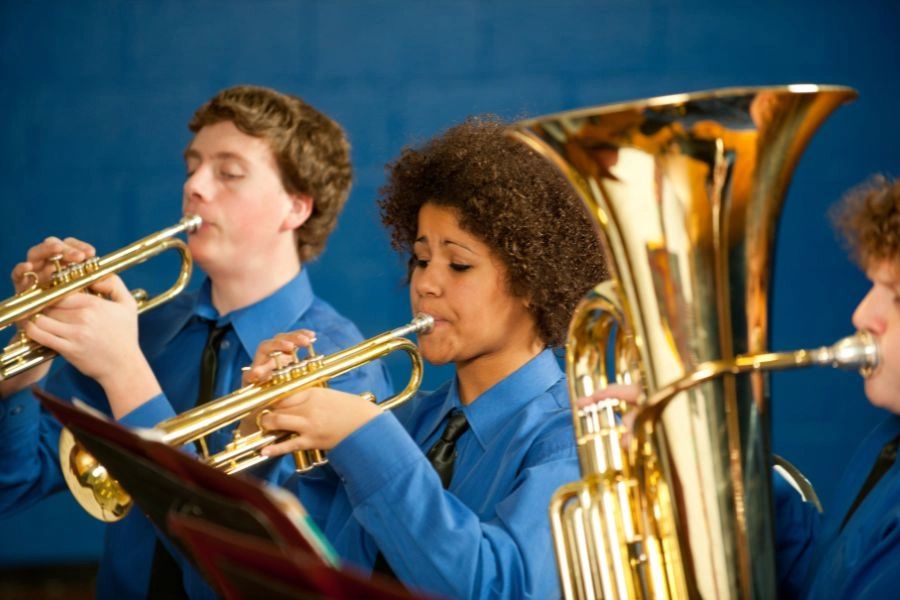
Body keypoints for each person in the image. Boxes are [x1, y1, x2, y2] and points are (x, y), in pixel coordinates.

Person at [0, 85, 391, 599]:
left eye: (228, 173)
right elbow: (16, 484)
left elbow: (258, 576)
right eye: (193, 166)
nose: (195, 186)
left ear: (296, 207)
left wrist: (125, 375)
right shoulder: (143, 329)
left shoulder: (341, 364)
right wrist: (25, 379)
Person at [239, 116, 608, 599]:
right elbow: (294, 574)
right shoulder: (410, 420)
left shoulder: (571, 441)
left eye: (458, 264)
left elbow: (500, 587)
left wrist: (367, 440)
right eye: (420, 258)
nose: (426, 283)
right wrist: (254, 447)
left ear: (532, 284)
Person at [579, 175, 900, 598]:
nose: (862, 313)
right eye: (872, 286)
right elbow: (823, 575)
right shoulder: (886, 441)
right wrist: (706, 451)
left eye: (895, 296)